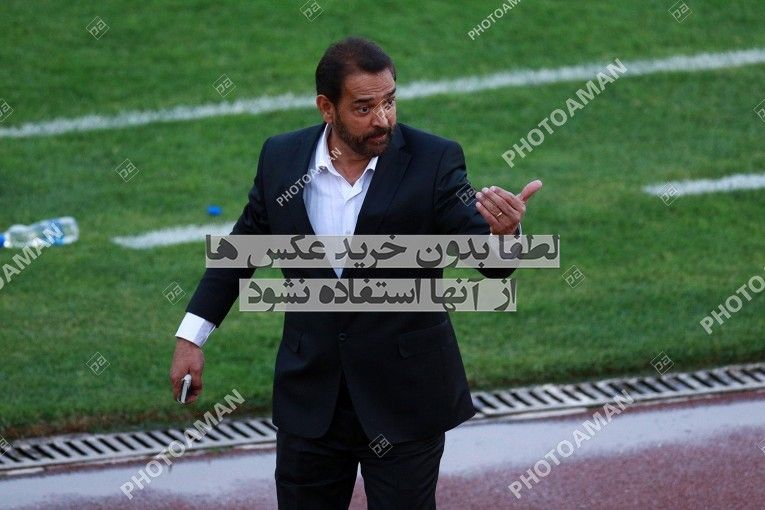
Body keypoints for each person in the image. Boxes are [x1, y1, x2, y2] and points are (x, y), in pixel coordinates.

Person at [169, 36, 542, 509]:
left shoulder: (433, 160)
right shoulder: (281, 159)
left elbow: (492, 263)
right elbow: (240, 252)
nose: (382, 119)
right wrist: (191, 337)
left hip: (405, 399)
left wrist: (505, 235)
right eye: (364, 108)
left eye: (389, 102)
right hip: (312, 399)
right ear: (327, 108)